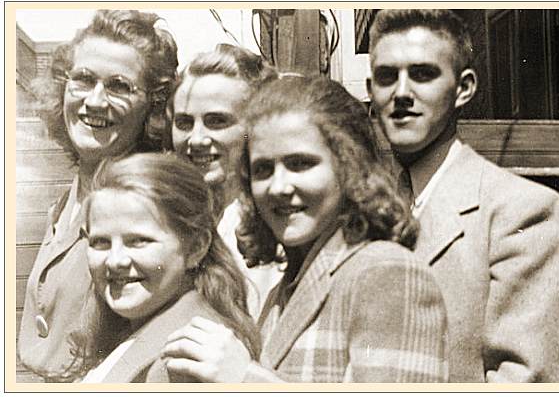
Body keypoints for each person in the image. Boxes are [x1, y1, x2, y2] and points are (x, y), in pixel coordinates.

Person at [161, 76, 448, 383]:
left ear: (349, 167)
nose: (279, 187)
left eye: (300, 164)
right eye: (263, 170)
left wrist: (244, 380)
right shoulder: (283, 289)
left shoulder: (387, 273)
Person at [366, 9, 559, 382]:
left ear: (463, 89)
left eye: (423, 74)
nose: (401, 93)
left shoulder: (522, 213)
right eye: (387, 77)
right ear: (370, 92)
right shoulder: (369, 212)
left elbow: (526, 382)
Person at [18, 10, 179, 382]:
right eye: (84, 80)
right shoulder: (67, 200)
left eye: (119, 86)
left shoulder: (149, 206)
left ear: (153, 106)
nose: (95, 101)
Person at [60, 152, 259, 382]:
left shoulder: (187, 359)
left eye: (138, 241)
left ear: (196, 247)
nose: (115, 260)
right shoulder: (134, 329)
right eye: (100, 242)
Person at [169, 44, 282, 318]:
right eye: (184, 123)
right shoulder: (171, 220)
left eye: (216, 121)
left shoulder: (275, 231)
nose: (195, 139)